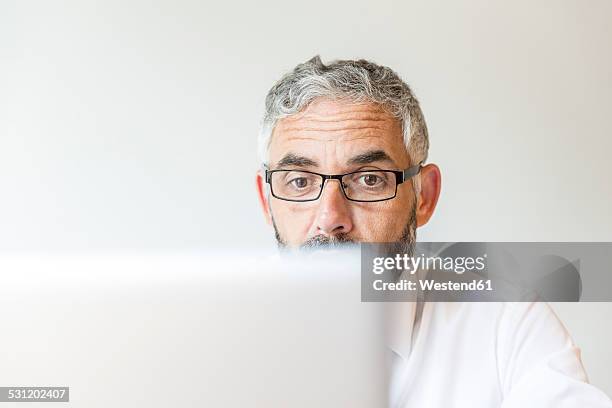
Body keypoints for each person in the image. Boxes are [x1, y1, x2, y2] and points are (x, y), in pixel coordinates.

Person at [255, 56, 612, 407]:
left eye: (369, 179)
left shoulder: (506, 320)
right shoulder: (212, 331)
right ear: (266, 200)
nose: (331, 217)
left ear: (424, 196)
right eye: (299, 181)